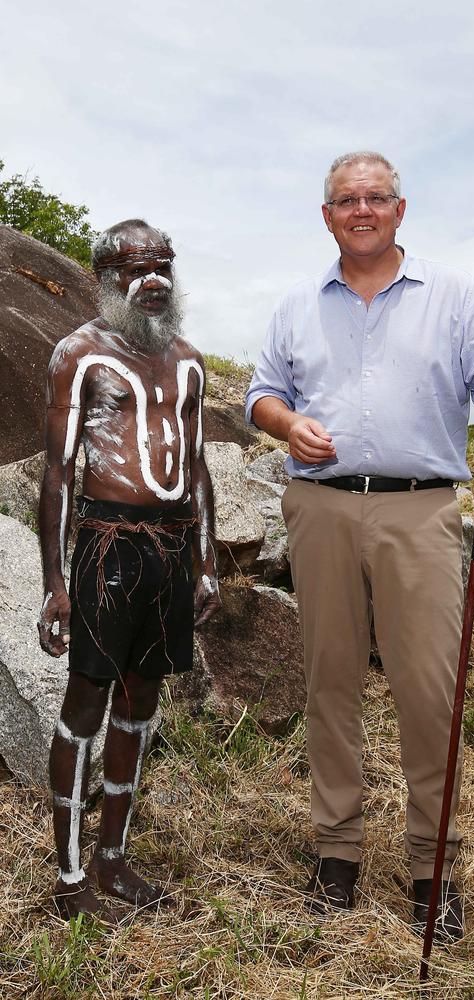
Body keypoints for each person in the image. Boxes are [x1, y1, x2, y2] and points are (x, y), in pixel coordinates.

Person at [245, 151, 474, 941]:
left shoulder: (457, 295)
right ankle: (335, 858)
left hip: (422, 513)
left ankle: (432, 871)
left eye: (377, 197)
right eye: (347, 199)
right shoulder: (296, 305)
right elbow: (260, 392)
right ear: (328, 215)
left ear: (400, 209)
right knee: (328, 682)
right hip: (320, 508)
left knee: (428, 695)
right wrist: (284, 423)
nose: (362, 209)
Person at [38, 219, 221, 923]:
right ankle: (70, 876)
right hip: (106, 546)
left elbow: (198, 464)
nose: (153, 281)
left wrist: (205, 559)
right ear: (104, 277)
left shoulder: (188, 360)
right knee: (85, 702)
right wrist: (56, 581)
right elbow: (57, 473)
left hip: (171, 550)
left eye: (163, 267)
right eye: (136, 268)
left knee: (141, 701)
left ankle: (113, 857)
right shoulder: (79, 355)